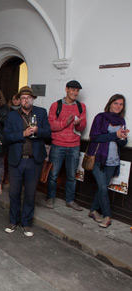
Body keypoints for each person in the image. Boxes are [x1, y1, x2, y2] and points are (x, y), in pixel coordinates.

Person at [3, 86, 51, 237]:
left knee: (30, 194)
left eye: (28, 98)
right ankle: (13, 221)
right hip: (16, 160)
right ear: (19, 100)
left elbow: (49, 133)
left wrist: (38, 131)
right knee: (14, 193)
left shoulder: (41, 112)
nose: (26, 100)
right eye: (23, 98)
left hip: (34, 161)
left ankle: (27, 223)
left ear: (33, 99)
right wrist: (23, 133)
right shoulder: (12, 115)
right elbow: (7, 137)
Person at [87, 94, 128, 228]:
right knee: (104, 188)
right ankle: (107, 216)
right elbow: (94, 136)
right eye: (115, 103)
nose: (118, 106)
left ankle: (93, 210)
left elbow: (122, 143)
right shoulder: (101, 117)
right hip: (98, 159)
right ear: (110, 104)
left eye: (121, 104)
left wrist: (122, 138)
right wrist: (114, 135)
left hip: (113, 161)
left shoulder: (121, 121)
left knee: (101, 187)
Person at [46, 80, 87, 210]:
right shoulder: (55, 105)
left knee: (71, 176)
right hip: (58, 145)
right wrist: (65, 122)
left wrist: (78, 124)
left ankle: (70, 200)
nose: (75, 93)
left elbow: (83, 126)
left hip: (74, 146)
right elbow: (51, 126)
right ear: (66, 89)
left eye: (77, 91)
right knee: (53, 175)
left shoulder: (81, 107)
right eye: (73, 90)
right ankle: (50, 198)